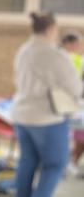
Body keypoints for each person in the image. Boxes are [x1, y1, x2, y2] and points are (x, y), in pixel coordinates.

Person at [11, 13, 83, 196]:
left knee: (27, 162)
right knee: (56, 164)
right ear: (51, 29)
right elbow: (75, 88)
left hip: (21, 115)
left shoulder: (23, 50)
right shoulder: (55, 54)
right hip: (47, 118)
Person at [61, 32, 84, 177]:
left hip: (76, 103)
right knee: (70, 135)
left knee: (79, 136)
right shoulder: (72, 58)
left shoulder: (77, 59)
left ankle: (70, 162)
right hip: (70, 103)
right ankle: (65, 163)